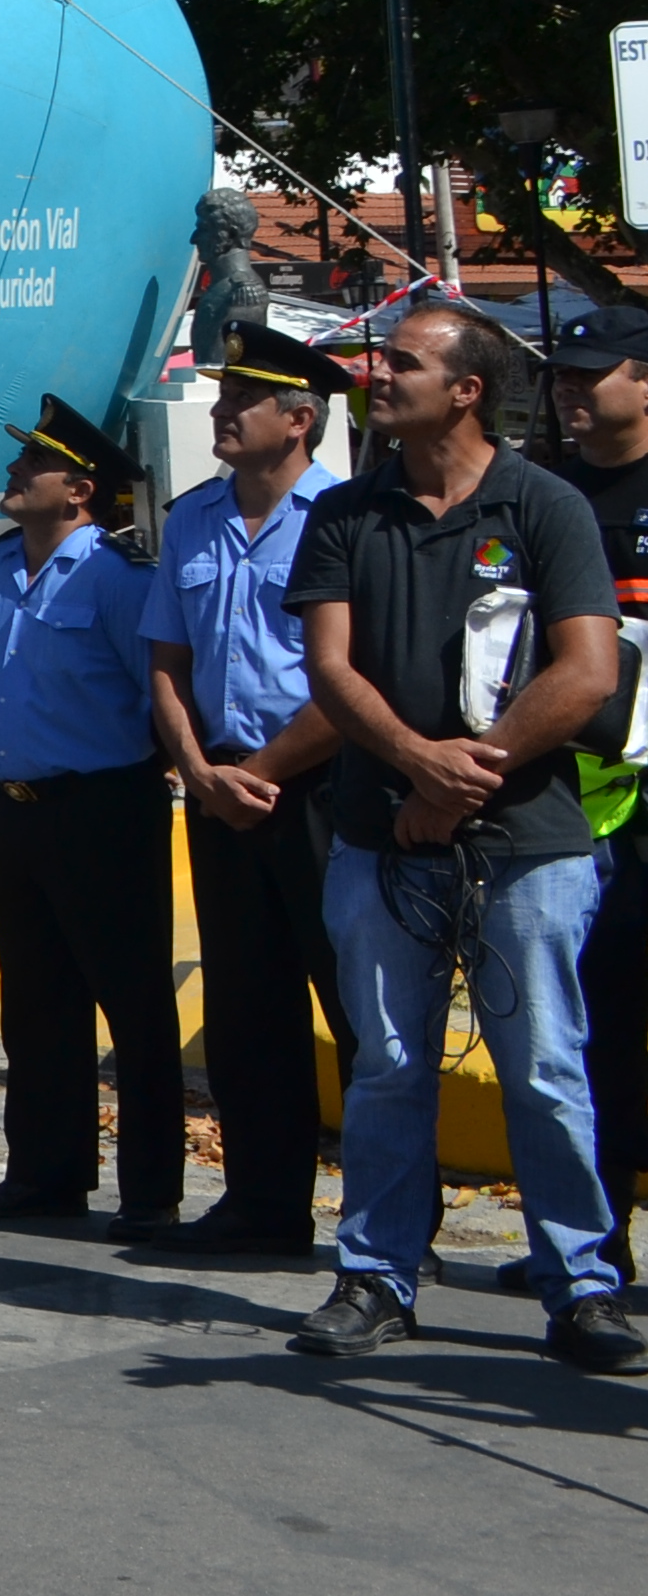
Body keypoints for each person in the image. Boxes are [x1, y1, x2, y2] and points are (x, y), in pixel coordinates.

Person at [288, 304, 637, 1368]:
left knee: (543, 1068)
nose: (375, 377)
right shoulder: (349, 510)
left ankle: (579, 1285)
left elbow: (588, 673)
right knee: (389, 1065)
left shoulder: (546, 505)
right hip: (378, 839)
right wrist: (414, 764)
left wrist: (459, 780)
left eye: (399, 362)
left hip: (529, 843)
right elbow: (331, 671)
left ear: (467, 389)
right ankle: (378, 1277)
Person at [145, 323, 354, 1261]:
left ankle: (391, 1221)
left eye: (243, 400)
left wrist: (258, 775)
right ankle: (263, 1203)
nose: (223, 411)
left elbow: (358, 680)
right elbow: (167, 659)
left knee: (357, 1004)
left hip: (317, 786)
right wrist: (198, 771)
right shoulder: (193, 517)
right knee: (245, 1004)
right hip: (218, 783)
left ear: (300, 419)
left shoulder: (346, 518)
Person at [0, 391, 181, 1233]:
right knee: (36, 1002)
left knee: (132, 1002)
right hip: (15, 810)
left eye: (33, 463)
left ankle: (151, 1192)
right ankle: (45, 1173)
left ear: (80, 489)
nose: (14, 473)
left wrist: (137, 784)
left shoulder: (117, 579)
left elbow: (159, 694)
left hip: (103, 808)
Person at [542, 304, 648, 1291]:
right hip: (577, 809)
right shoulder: (546, 494)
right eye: (561, 377)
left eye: (591, 374)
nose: (571, 391)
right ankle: (592, 1251)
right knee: (590, 1036)